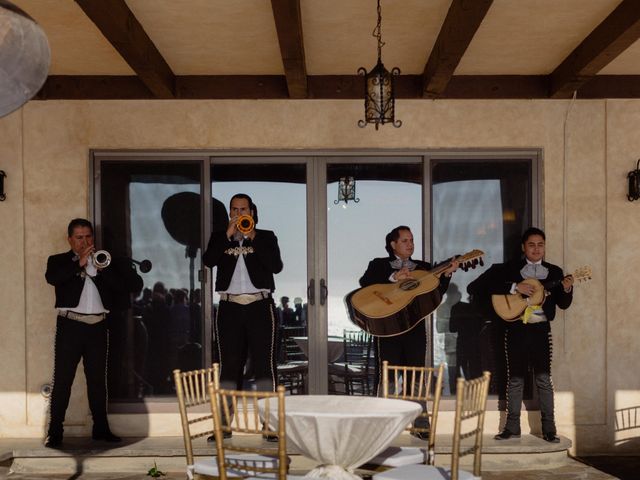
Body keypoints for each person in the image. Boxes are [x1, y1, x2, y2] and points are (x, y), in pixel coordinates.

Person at [467, 227, 573, 443]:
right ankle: (512, 427)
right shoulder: (507, 269)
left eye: (540, 244)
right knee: (515, 379)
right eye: (532, 244)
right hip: (515, 330)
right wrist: (515, 287)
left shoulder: (554, 272)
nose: (536, 249)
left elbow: (563, 303)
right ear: (523, 247)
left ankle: (549, 429)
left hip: (541, 331)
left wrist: (568, 289)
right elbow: (475, 287)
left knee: (543, 379)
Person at [44, 218, 141, 448]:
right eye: (79, 237)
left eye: (88, 237)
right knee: (63, 380)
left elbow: (127, 286)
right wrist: (79, 263)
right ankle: (55, 431)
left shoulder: (105, 263)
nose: (84, 241)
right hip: (70, 326)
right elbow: (52, 278)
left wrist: (99, 271)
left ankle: (101, 429)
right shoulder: (58, 261)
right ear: (70, 240)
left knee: (98, 381)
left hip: (98, 326)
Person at [359, 225, 458, 438]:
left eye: (412, 240)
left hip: (414, 328)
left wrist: (447, 275)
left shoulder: (423, 267)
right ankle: (383, 425)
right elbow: (364, 284)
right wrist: (394, 278)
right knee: (388, 377)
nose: (410, 244)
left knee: (416, 375)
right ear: (393, 244)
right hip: (387, 329)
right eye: (405, 240)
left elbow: (436, 294)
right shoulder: (379, 265)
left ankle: (420, 424)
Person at [203, 193, 283, 440]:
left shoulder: (266, 236)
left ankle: (269, 427)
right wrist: (228, 235)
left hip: (260, 306)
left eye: (243, 209)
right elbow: (208, 260)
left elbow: (275, 266)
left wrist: (252, 236)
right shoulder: (220, 237)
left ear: (252, 211)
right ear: (229, 213)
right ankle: (224, 426)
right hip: (229, 308)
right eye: (234, 210)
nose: (239, 214)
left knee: (264, 367)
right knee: (229, 367)